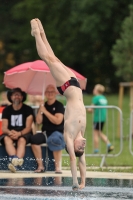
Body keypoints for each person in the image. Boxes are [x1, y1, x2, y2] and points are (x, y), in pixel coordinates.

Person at [30, 18, 86, 190]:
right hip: (74, 83)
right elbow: (82, 161)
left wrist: (75, 182)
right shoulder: (82, 133)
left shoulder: (69, 137)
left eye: (80, 148)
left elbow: (73, 159)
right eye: (83, 147)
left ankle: (35, 34)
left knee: (48, 59)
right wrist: (84, 182)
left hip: (68, 87)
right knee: (53, 57)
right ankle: (42, 32)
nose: (83, 145)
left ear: (74, 148)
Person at [30, 84, 65, 173]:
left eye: (52, 91)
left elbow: (58, 121)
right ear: (45, 93)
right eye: (48, 92)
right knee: (33, 139)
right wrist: (40, 109)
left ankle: (57, 167)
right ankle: (40, 166)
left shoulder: (59, 105)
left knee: (55, 139)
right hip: (46, 132)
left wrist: (45, 111)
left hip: (58, 132)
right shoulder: (43, 105)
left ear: (55, 93)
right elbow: (38, 121)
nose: (50, 93)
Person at [0, 87, 34, 173]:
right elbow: (4, 128)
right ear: (10, 97)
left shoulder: (28, 109)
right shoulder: (6, 110)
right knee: (6, 139)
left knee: (22, 140)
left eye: (19, 95)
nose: (17, 97)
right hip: (10, 132)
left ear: (22, 97)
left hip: (24, 132)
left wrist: (19, 133)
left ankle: (15, 164)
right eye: (14, 95)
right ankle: (15, 160)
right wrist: (10, 132)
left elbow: (28, 127)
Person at [87, 84, 114, 153]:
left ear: (97, 90)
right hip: (103, 118)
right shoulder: (103, 98)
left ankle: (96, 150)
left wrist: (88, 109)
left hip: (97, 118)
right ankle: (109, 144)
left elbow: (90, 109)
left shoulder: (96, 98)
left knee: (95, 134)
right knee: (99, 133)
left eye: (94, 88)